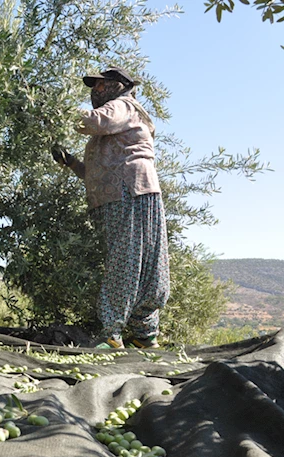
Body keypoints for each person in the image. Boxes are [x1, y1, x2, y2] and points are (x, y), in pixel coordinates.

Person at [52, 66, 170, 349]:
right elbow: (94, 172)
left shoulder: (124, 106)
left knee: (127, 260)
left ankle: (112, 334)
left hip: (131, 191)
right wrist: (69, 161)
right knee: (137, 261)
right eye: (95, 87)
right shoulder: (114, 126)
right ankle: (143, 335)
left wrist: (56, 111)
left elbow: (95, 121)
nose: (96, 91)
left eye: (101, 85)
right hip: (123, 195)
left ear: (120, 85)